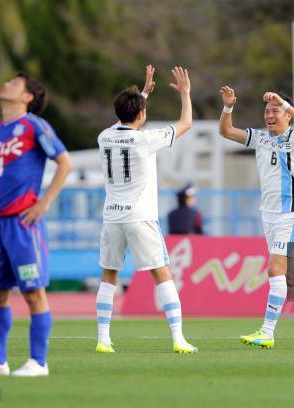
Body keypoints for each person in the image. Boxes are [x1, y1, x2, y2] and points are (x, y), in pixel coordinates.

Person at [218, 86, 294, 350]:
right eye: (267, 111)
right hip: (270, 215)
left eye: (276, 110)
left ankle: (267, 332)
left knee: (275, 268)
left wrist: (284, 104)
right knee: (292, 280)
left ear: (287, 115)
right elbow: (226, 131)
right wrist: (228, 107)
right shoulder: (260, 139)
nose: (270, 115)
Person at [0, 73, 72, 377]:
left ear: (28, 97)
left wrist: (45, 201)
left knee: (32, 292)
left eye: (14, 84)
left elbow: (64, 161)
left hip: (23, 225)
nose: (6, 85)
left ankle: (38, 362)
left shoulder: (34, 125)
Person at [95, 66, 197, 354]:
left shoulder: (104, 138)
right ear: (141, 113)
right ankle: (178, 338)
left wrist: (141, 94)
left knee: (109, 275)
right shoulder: (145, 140)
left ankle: (103, 339)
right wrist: (186, 93)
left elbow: (124, 121)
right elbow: (186, 123)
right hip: (140, 217)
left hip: (112, 215)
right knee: (161, 273)